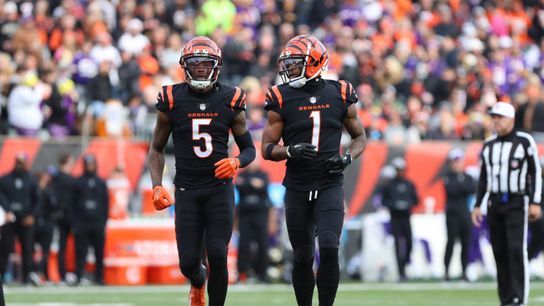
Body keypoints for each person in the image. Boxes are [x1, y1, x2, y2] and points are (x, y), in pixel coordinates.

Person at [148, 36, 255, 306]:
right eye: (194, 65)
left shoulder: (231, 99)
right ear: (185, 67)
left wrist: (236, 162)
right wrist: (157, 185)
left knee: (218, 252)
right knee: (187, 264)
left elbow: (249, 149)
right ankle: (198, 281)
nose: (199, 70)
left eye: (205, 65)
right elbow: (156, 148)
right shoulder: (171, 99)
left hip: (219, 188)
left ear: (216, 67)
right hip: (187, 189)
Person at [261, 35, 366, 306]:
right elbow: (267, 148)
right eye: (289, 64)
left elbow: (359, 138)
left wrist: (347, 159)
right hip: (296, 185)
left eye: (296, 64)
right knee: (303, 254)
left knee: (330, 248)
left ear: (315, 63)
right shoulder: (280, 97)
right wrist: (290, 151)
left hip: (329, 183)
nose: (290, 69)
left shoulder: (340, 92)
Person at [472, 102, 542, 306]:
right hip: (495, 203)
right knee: (499, 251)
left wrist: (535, 201)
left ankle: (520, 298)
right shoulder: (489, 145)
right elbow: (484, 177)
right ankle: (506, 298)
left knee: (516, 250)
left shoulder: (524, 141)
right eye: (493, 118)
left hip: (516, 201)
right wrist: (478, 204)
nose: (496, 122)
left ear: (511, 119)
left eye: (500, 118)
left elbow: (535, 173)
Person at [0, 153, 39, 285]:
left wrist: (32, 215)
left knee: (27, 248)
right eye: (18, 162)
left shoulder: (31, 180)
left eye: (22, 162)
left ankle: (27, 276)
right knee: (5, 247)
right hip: (10, 218)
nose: (20, 165)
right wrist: (7, 210)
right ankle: (3, 275)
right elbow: (1, 196)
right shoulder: (5, 179)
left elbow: (38, 200)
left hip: (25, 219)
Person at [382, 157, 419, 282]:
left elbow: (416, 200)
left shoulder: (409, 184)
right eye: (397, 169)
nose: (399, 172)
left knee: (409, 243)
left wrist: (407, 204)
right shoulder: (389, 185)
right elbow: (384, 201)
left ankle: (404, 264)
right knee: (398, 244)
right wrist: (394, 204)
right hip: (395, 218)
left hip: (406, 217)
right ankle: (401, 272)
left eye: (401, 169)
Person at [73, 155, 109, 285]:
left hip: (97, 223)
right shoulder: (78, 182)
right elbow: (73, 203)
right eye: (88, 164)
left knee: (99, 252)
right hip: (82, 223)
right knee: (80, 252)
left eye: (92, 164)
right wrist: (75, 222)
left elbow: (105, 203)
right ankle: (78, 276)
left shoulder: (101, 182)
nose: (90, 167)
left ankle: (99, 278)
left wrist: (104, 222)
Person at [235, 155, 272, 283]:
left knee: (262, 244)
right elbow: (239, 185)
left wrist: (249, 184)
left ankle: (262, 273)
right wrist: (253, 184)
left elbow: (263, 187)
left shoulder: (263, 174)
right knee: (243, 244)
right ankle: (242, 273)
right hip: (245, 215)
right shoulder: (242, 174)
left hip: (260, 214)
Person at [442, 149, 476, 281]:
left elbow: (471, 189)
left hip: (465, 214)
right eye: (454, 161)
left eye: (459, 161)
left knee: (465, 243)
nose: (456, 164)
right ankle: (446, 272)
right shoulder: (447, 176)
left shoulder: (467, 177)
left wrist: (460, 186)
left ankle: (464, 272)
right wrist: (461, 187)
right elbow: (451, 190)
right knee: (451, 243)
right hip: (452, 215)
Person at [51, 153, 77, 284]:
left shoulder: (58, 178)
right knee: (63, 247)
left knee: (67, 248)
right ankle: (63, 274)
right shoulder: (62, 179)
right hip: (64, 217)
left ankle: (68, 273)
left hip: (66, 217)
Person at [30, 168, 58, 285]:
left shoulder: (49, 191)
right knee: (37, 250)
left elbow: (53, 206)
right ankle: (36, 272)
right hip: (38, 223)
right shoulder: (37, 190)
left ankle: (42, 274)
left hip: (45, 222)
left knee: (44, 250)